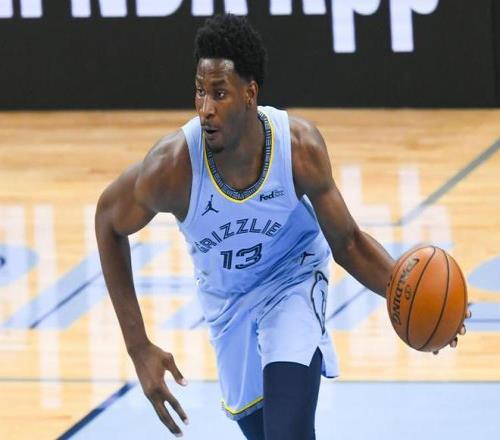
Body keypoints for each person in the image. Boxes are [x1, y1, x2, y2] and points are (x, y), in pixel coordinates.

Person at [95, 14, 467, 440]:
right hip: (229, 304)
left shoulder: (298, 149)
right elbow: (108, 221)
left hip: (293, 279)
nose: (205, 108)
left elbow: (348, 242)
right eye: (200, 92)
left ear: (250, 94)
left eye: (219, 93)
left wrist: (412, 298)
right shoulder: (171, 168)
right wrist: (138, 347)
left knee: (287, 432)